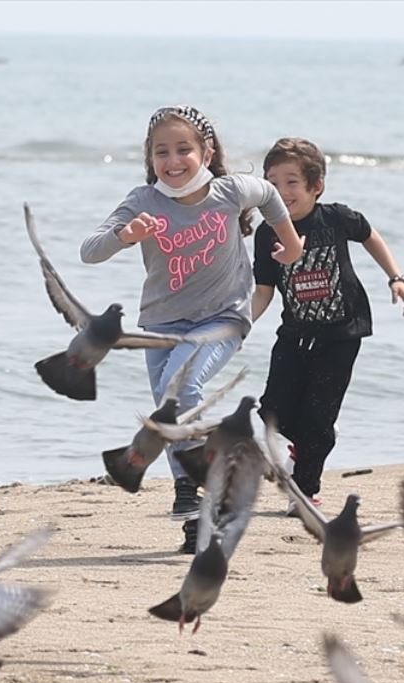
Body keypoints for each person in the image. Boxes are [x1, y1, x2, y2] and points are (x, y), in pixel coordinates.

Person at [81, 105, 305, 552]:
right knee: (170, 412)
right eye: (162, 152)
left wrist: (292, 242)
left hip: (223, 317)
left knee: (177, 389)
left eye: (184, 149)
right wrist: (125, 236)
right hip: (161, 325)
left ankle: (191, 488)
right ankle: (196, 513)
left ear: (206, 151)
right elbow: (89, 251)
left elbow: (267, 194)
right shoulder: (143, 202)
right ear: (150, 158)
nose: (173, 160)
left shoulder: (228, 191)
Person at [252, 137, 404, 512]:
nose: (282, 191)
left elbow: (370, 235)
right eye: (272, 183)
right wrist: (239, 325)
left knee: (318, 419)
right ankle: (310, 440)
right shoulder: (266, 233)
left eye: (291, 182)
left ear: (315, 186)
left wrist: (396, 277)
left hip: (342, 333)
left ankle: (304, 492)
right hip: (294, 333)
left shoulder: (336, 218)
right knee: (272, 411)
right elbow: (263, 290)